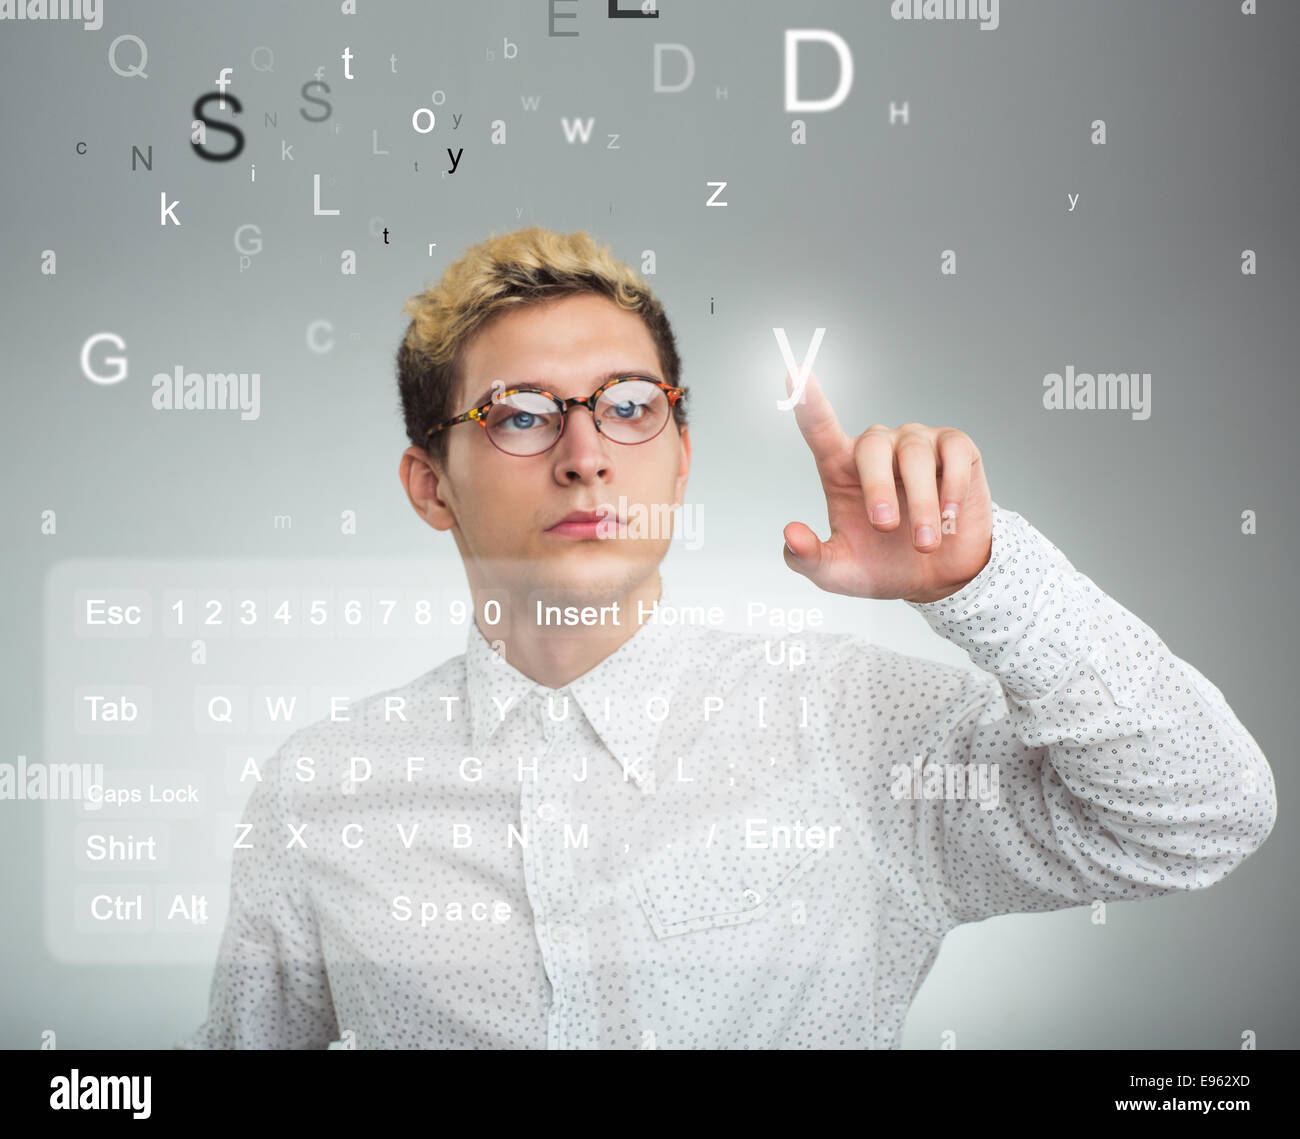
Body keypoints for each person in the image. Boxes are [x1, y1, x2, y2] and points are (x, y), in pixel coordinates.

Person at [178, 226, 1276, 1049]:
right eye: (519, 412)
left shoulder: (847, 728)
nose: (585, 454)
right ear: (430, 484)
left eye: (627, 405)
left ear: (680, 456)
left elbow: (1199, 817)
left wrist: (984, 584)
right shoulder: (321, 791)